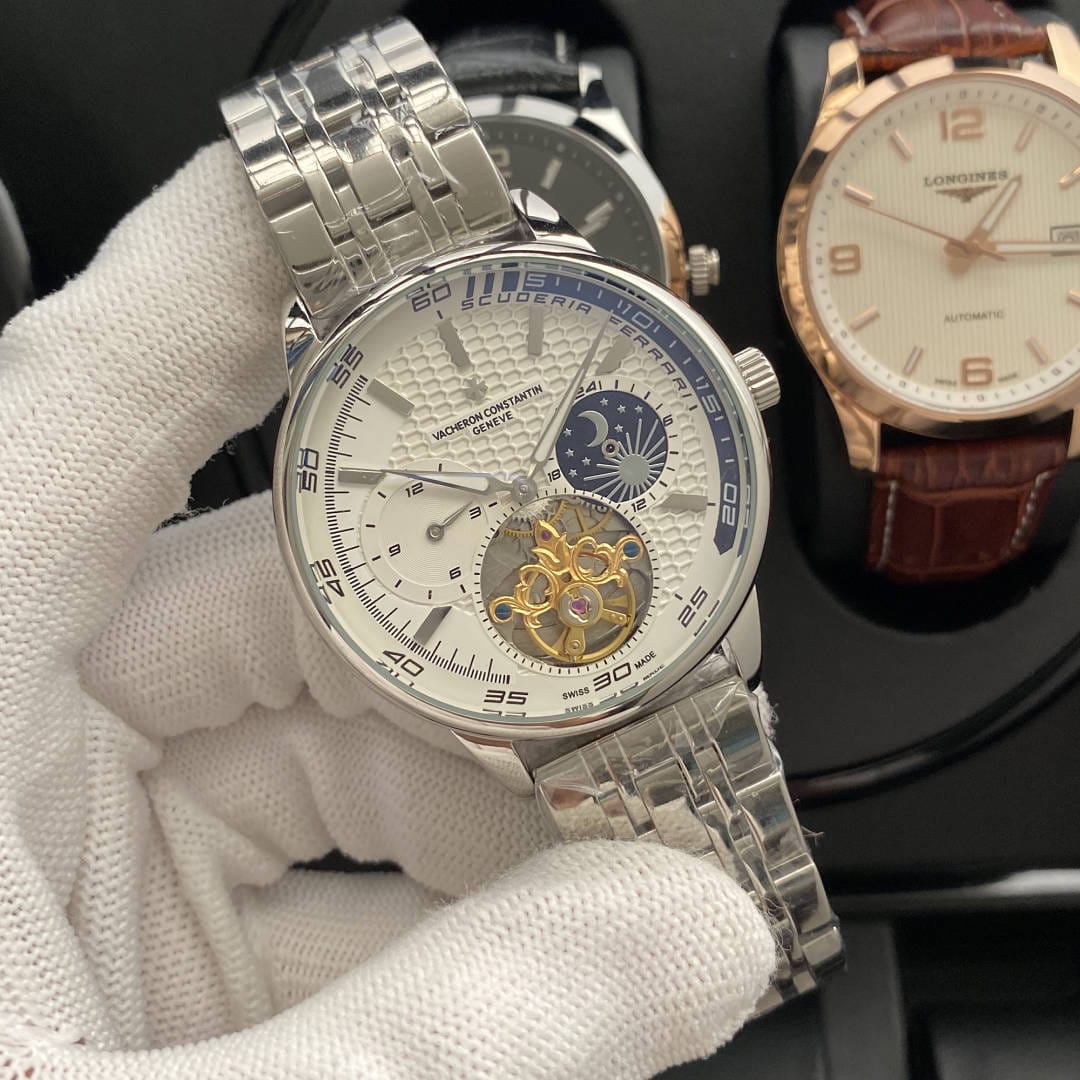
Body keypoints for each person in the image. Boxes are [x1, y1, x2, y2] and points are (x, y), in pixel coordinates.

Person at [0, 142, 776, 1078]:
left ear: (738, 384)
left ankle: (762, 926)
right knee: (686, 895)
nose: (522, 494)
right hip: (503, 666)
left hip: (648, 610)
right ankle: (764, 929)